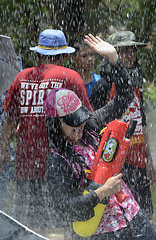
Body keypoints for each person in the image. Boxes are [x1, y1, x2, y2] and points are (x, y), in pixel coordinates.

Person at [0, 29, 96, 231]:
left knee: (26, 228)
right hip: (59, 168)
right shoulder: (70, 77)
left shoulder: (22, 78)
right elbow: (88, 120)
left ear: (39, 54)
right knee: (58, 228)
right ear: (64, 55)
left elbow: (9, 122)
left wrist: (3, 152)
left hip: (25, 166)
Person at [44, 85, 156, 240]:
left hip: (133, 216)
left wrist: (114, 60)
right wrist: (103, 192)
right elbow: (63, 208)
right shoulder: (57, 161)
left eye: (79, 119)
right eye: (72, 122)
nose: (78, 126)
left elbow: (125, 95)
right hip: (103, 232)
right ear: (55, 124)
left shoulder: (91, 127)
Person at [89, 31, 156, 219]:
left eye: (132, 51)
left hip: (137, 155)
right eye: (124, 52)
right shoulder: (103, 85)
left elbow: (140, 120)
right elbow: (93, 127)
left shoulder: (136, 83)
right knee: (118, 215)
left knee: (144, 214)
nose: (130, 56)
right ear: (113, 54)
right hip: (115, 160)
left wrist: (148, 158)